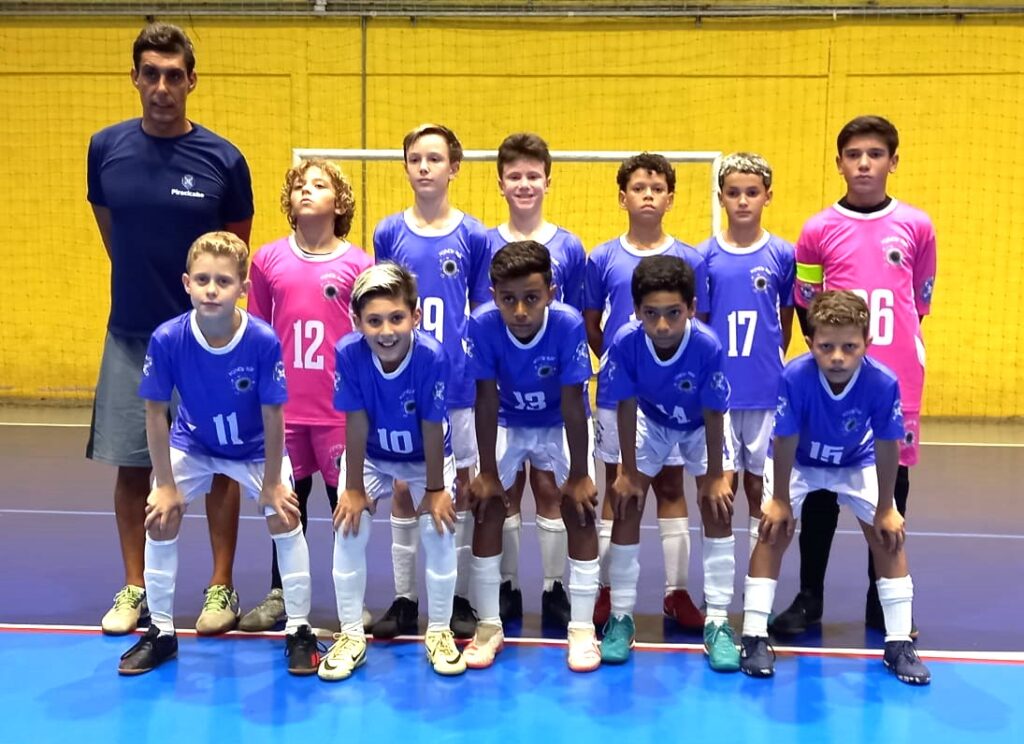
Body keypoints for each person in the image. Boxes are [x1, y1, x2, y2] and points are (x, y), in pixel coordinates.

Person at [87, 22, 254, 636]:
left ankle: (220, 588)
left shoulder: (223, 159)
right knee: (135, 466)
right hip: (132, 336)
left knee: (219, 463)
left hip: (208, 344)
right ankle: (135, 588)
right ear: (134, 77)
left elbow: (233, 252)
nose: (162, 87)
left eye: (174, 76)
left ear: (191, 81)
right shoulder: (105, 149)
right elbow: (112, 232)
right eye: (151, 74)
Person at [118, 232, 317, 676]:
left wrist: (272, 483)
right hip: (195, 444)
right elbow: (155, 413)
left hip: (254, 448)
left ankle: (300, 629)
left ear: (242, 289)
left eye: (223, 282)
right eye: (203, 280)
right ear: (186, 283)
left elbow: (274, 416)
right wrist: (165, 485)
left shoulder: (261, 339)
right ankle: (161, 632)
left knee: (285, 514)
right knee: (160, 515)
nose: (211, 290)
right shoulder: (168, 338)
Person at [773, 115, 937, 636]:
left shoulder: (917, 226)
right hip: (832, 378)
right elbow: (806, 302)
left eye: (875, 154)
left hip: (895, 377)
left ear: (893, 161)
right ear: (839, 163)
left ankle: (881, 598)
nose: (864, 163)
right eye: (853, 155)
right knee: (821, 484)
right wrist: (832, 356)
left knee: (891, 485)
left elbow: (919, 301)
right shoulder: (817, 230)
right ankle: (809, 598)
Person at [740, 290, 930, 685]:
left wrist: (886, 506)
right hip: (800, 462)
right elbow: (785, 439)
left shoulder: (882, 382)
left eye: (849, 347)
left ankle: (898, 643)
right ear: (810, 343)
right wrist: (779, 501)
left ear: (867, 343)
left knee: (888, 536)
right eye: (826, 347)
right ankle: (754, 635)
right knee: (773, 531)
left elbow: (887, 445)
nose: (838, 357)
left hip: (855, 460)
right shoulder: (795, 377)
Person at [237, 159, 373, 630]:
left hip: (338, 410)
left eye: (319, 185)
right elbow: (256, 332)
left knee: (346, 503)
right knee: (286, 503)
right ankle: (282, 593)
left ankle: (350, 597)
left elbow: (369, 338)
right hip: (285, 410)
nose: (307, 191)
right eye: (299, 186)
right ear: (290, 203)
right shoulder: (268, 259)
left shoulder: (360, 265)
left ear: (340, 202)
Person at [370, 124, 491, 640]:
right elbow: (379, 308)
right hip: (402, 381)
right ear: (405, 166)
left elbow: (482, 311)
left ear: (453, 168)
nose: (424, 167)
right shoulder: (388, 233)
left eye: (434, 159)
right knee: (403, 486)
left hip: (456, 383)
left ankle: (457, 595)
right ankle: (405, 598)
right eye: (415, 158)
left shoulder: (475, 235)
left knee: (458, 486)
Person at [319, 262, 466, 681]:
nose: (386, 331)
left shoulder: (431, 356)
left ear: (415, 317)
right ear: (357, 322)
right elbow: (355, 420)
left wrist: (435, 489)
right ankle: (351, 635)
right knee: (349, 528)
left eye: (396, 318)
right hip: (371, 456)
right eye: (374, 321)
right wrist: (352, 488)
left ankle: (439, 631)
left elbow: (432, 426)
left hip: (425, 457)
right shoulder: (349, 353)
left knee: (438, 530)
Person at [583, 153, 710, 630]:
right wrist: (628, 370)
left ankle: (677, 593)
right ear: (623, 197)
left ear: (671, 198)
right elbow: (592, 324)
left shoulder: (691, 259)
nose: (648, 195)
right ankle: (608, 589)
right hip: (618, 397)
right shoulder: (602, 257)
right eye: (639, 188)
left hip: (674, 397)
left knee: (672, 486)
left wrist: (664, 376)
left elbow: (698, 328)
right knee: (621, 484)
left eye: (658, 188)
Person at [465, 241, 600, 672]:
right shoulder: (482, 325)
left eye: (531, 298)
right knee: (487, 506)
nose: (520, 310)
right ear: (493, 295)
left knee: (579, 509)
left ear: (551, 293)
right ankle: (489, 626)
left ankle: (582, 629)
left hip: (558, 422)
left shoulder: (567, 324)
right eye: (508, 299)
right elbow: (486, 399)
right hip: (507, 420)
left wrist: (579, 474)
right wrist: (488, 472)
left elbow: (574, 402)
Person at [600, 255, 738, 671]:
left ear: (692, 308)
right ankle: (621, 616)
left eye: (673, 313)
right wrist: (627, 471)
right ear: (636, 310)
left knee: (717, 505)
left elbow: (714, 412)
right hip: (652, 421)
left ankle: (718, 621)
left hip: (701, 426)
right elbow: (625, 406)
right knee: (626, 501)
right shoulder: (626, 341)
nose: (662, 325)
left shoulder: (707, 345)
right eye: (651, 314)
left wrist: (715, 476)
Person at [484, 133, 588, 626]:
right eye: (515, 175)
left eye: (533, 175)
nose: (524, 184)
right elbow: (483, 313)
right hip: (503, 392)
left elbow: (577, 315)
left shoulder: (570, 245)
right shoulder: (484, 242)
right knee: (503, 492)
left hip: (552, 395)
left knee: (550, 488)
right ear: (500, 183)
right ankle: (505, 586)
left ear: (548, 181)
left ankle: (554, 588)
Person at [697, 153, 794, 557]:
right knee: (719, 491)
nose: (742, 201)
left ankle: (758, 581)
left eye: (752, 192)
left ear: (767, 196)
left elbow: (785, 323)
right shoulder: (703, 256)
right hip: (719, 395)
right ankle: (718, 588)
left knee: (761, 490)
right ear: (720, 196)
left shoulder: (783, 254)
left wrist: (768, 364)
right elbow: (699, 326)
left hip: (765, 393)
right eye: (733, 192)